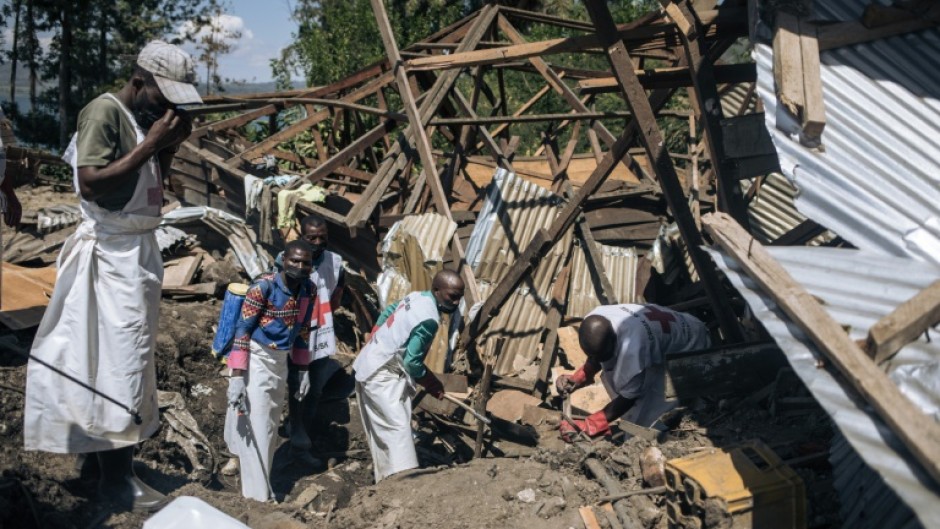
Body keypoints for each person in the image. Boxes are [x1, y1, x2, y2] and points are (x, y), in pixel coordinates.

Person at [23, 40, 199, 512]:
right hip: (109, 253)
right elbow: (91, 183)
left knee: (125, 362)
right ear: (139, 82)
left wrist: (168, 148)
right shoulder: (104, 112)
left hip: (133, 253)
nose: (170, 108)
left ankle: (105, 467)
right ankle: (116, 481)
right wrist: (153, 144)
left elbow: (151, 188)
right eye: (165, 98)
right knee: (117, 365)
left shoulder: (143, 120)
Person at [224, 239, 317, 502]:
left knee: (270, 422)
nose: (299, 266)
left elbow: (303, 330)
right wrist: (238, 377)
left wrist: (302, 369)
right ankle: (257, 496)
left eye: (305, 263)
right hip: (256, 356)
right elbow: (242, 330)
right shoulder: (263, 286)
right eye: (294, 261)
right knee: (260, 424)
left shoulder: (309, 290)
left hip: (279, 359)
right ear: (283, 260)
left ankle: (258, 483)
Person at [352, 270, 464, 483]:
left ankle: (388, 481)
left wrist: (375, 334)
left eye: (460, 296)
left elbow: (390, 310)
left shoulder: (417, 297)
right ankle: (404, 484)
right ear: (437, 290)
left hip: (373, 365)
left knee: (385, 431)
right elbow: (412, 362)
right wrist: (432, 383)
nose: (457, 302)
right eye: (452, 296)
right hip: (382, 375)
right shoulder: (429, 319)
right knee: (398, 430)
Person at [555, 304, 711, 442]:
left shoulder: (634, 348)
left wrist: (593, 423)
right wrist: (582, 374)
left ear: (614, 341)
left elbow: (629, 397)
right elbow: (597, 354)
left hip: (691, 345)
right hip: (670, 333)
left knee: (651, 409)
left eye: (601, 355)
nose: (598, 360)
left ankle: (655, 439)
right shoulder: (597, 318)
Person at [284, 215, 344, 466]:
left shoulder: (336, 263)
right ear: (301, 236)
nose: (318, 243)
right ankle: (293, 431)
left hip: (320, 333)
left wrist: (322, 316)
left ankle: (301, 434)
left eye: (323, 238)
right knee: (294, 384)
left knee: (315, 388)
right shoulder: (291, 261)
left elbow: (338, 298)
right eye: (312, 238)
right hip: (292, 333)